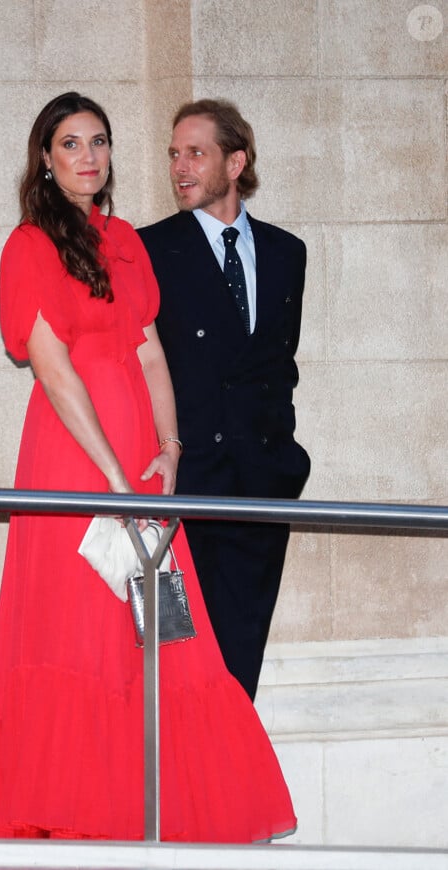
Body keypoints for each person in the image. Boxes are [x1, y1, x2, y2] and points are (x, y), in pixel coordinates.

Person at [0, 92, 296, 842]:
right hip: (73, 460)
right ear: (45, 158)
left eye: (98, 141)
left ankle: (156, 816)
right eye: (71, 144)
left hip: (139, 461)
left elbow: (149, 349)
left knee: (159, 641)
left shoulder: (126, 239)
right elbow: (53, 368)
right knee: (76, 633)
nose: (89, 157)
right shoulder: (28, 245)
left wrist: (167, 449)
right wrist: (113, 476)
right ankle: (69, 815)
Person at [138, 99, 310, 701]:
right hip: (188, 491)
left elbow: (277, 366)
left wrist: (286, 462)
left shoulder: (288, 252)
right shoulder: (149, 249)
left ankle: (226, 790)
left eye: (196, 153)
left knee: (241, 669)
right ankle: (178, 791)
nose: (180, 167)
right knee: (176, 667)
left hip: (262, 485)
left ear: (235, 162)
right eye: (174, 154)